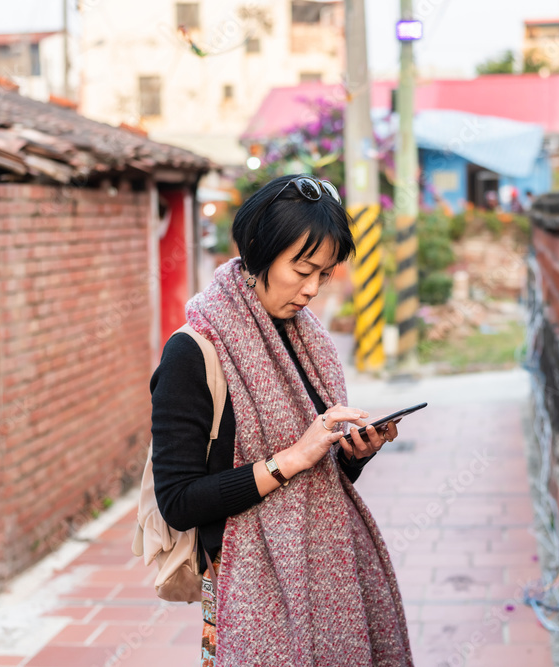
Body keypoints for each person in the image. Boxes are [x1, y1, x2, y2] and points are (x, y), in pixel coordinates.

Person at [149, 174, 415, 666]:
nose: (312, 289)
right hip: (244, 587)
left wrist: (350, 458)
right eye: (301, 269)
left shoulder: (306, 342)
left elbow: (318, 476)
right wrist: (292, 458)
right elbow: (179, 502)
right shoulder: (193, 351)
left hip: (327, 572)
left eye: (324, 274)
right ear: (256, 250)